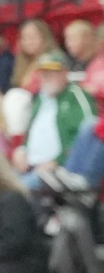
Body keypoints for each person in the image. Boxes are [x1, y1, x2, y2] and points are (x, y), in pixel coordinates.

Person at [19, 58, 97, 186]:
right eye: (43, 73)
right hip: (29, 166)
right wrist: (22, 150)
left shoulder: (75, 96)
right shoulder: (40, 98)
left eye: (52, 72)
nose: (46, 77)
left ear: (65, 73)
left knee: (19, 189)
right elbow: (31, 129)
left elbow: (88, 135)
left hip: (59, 169)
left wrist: (58, 161)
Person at [4, 19, 75, 135]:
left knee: (16, 97)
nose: (29, 41)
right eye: (25, 38)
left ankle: (17, 137)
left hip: (49, 105)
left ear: (45, 37)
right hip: (30, 108)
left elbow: (43, 87)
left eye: (33, 37)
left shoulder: (54, 58)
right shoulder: (22, 63)